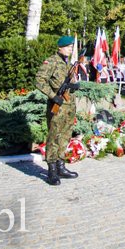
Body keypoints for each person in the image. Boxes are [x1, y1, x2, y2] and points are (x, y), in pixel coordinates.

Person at [35, 36, 80, 186]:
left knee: (66, 136)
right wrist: (54, 96)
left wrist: (73, 86)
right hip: (58, 106)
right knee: (54, 137)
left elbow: (68, 82)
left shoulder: (67, 63)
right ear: (60, 47)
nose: (70, 49)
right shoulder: (52, 61)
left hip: (69, 106)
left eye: (71, 47)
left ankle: (61, 166)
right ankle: (52, 171)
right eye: (68, 47)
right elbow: (39, 80)